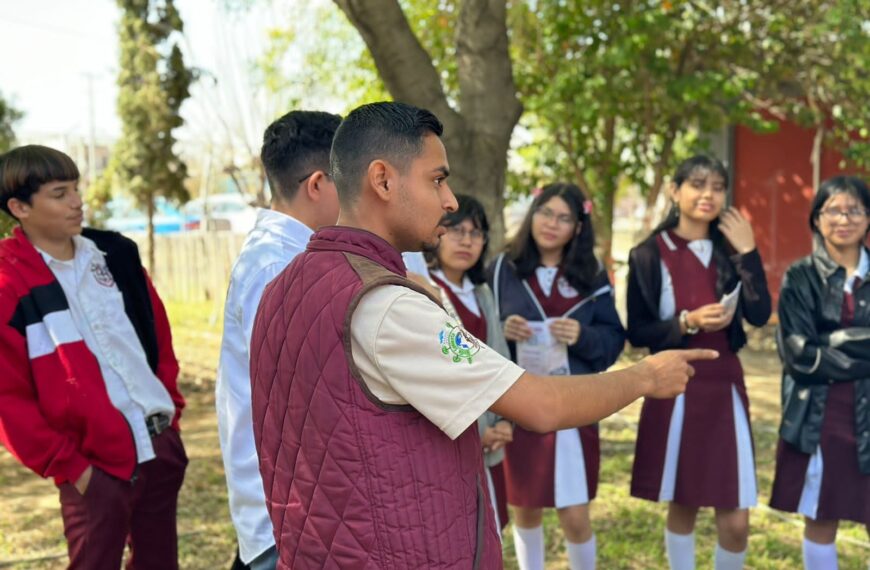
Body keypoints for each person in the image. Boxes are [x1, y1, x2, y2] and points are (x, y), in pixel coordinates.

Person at [248, 101, 717, 569]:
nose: (450, 200)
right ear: (383, 180)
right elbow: (542, 405)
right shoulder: (388, 306)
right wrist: (645, 377)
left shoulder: (283, 286)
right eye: (437, 180)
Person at [0, 145, 187, 569]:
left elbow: (157, 337)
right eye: (59, 193)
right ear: (19, 208)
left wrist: (170, 416)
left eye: (75, 188)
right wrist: (74, 469)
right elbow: (7, 401)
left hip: (159, 449)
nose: (77, 202)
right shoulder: (9, 284)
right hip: (93, 470)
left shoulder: (115, 255)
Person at [626, 155, 771, 570]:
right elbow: (638, 332)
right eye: (697, 184)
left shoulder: (732, 249)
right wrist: (686, 322)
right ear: (675, 191)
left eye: (718, 187)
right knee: (683, 500)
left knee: (736, 519)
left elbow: (760, 313)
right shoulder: (648, 254)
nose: (708, 194)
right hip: (675, 382)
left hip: (725, 385)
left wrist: (749, 251)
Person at [216, 110, 342, 570]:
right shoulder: (277, 266)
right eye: (350, 181)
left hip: (300, 508)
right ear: (318, 184)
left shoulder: (294, 255)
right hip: (287, 516)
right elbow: (304, 397)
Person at [489, 182, 625, 570]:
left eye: (564, 218)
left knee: (575, 514)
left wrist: (583, 336)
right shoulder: (502, 269)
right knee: (524, 507)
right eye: (546, 213)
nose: (551, 224)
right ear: (533, 214)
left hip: (573, 407)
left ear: (578, 227)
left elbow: (613, 340)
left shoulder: (592, 275)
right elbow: (477, 330)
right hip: (518, 405)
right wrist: (504, 329)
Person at [769, 175, 870, 569]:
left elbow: (817, 348)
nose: (844, 219)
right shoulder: (800, 277)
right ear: (816, 219)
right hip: (819, 413)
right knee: (821, 514)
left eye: (854, 210)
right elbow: (799, 356)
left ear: (868, 218)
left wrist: (832, 341)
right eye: (833, 210)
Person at [424, 193, 514, 534]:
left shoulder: (482, 293)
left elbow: (501, 357)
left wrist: (505, 421)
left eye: (476, 233)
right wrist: (479, 431)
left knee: (493, 532)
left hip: (492, 438)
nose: (466, 241)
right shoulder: (427, 290)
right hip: (453, 440)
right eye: (456, 230)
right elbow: (442, 376)